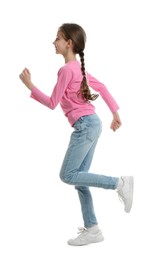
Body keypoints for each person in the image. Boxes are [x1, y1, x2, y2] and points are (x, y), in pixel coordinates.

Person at [19, 23, 134, 246]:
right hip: (93, 124)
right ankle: (92, 229)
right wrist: (115, 114)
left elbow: (53, 103)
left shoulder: (65, 70)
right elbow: (103, 87)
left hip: (85, 126)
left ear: (69, 43)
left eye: (58, 38)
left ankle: (119, 183)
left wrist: (30, 86)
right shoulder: (79, 70)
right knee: (80, 179)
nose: (54, 42)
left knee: (67, 175)